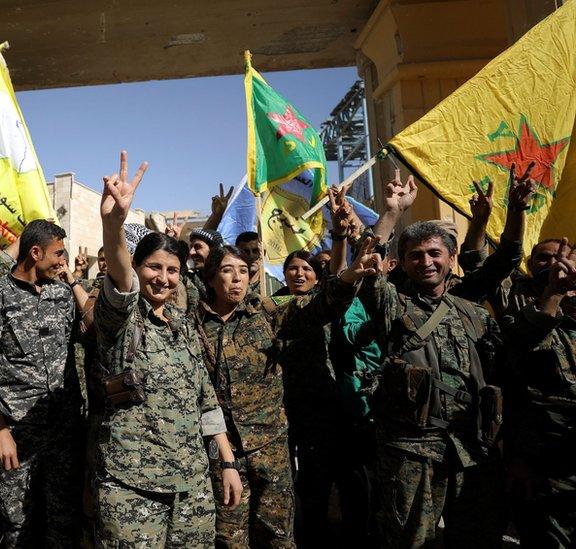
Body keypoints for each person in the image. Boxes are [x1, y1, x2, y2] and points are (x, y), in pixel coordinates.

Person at [90, 151, 242, 547]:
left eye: (172, 270)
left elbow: (205, 400)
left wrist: (225, 461)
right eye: (154, 268)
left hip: (191, 485)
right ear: (139, 269)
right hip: (132, 486)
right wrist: (114, 225)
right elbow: (121, 278)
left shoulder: (182, 326)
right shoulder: (120, 320)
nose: (163, 278)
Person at [195, 240, 378, 548]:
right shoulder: (194, 325)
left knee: (278, 535)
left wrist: (348, 277)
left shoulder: (266, 315)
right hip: (222, 453)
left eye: (243, 270)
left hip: (270, 448)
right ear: (211, 277)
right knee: (229, 537)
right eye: (228, 270)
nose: (238, 278)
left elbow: (317, 308)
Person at [361, 220, 506, 548]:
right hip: (412, 450)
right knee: (412, 540)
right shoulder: (392, 305)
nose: (426, 262)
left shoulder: (474, 314)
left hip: (470, 447)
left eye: (434, 253)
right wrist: (391, 212)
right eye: (415, 255)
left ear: (451, 258)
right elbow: (369, 267)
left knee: (478, 537)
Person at [0, 219, 82, 547]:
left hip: (64, 432)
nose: (63, 260)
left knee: (62, 523)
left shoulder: (63, 293)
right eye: (57, 254)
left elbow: (89, 325)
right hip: (17, 436)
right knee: (17, 528)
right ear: (34, 252)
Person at [499, 238, 576, 547]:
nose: (560, 270)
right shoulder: (526, 319)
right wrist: (553, 294)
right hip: (544, 468)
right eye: (547, 261)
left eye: (569, 267)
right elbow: (523, 348)